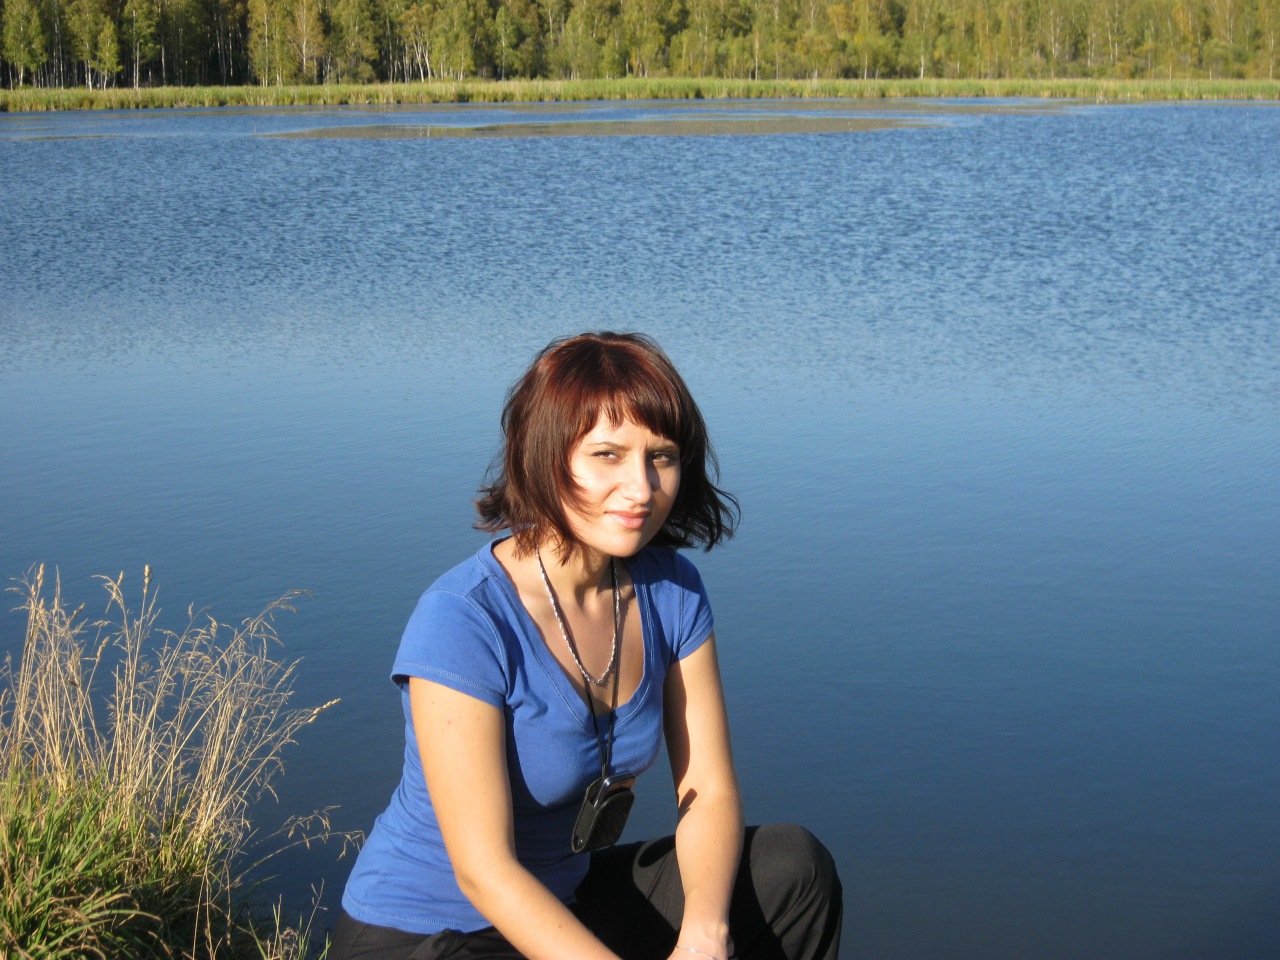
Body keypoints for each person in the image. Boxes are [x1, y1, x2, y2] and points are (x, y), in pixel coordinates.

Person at [334, 332, 842, 960]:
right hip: (431, 934)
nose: (641, 488)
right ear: (545, 457)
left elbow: (707, 790)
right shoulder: (464, 619)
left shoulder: (672, 590)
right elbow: (484, 871)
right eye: (608, 455)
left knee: (793, 868)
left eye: (661, 456)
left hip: (566, 902)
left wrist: (704, 934)